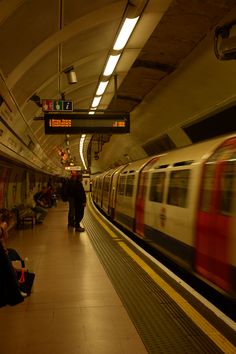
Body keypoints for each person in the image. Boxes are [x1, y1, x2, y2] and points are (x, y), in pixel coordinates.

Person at [0, 209, 26, 305]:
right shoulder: (3, 226)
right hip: (2, 254)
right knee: (10, 272)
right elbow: (2, 242)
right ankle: (16, 291)